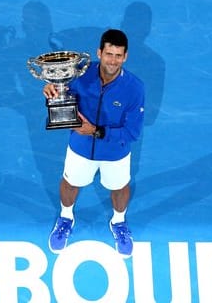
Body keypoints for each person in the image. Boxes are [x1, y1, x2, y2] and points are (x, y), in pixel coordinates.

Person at [42, 29, 145, 257]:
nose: (113, 60)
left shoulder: (135, 88)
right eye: (109, 54)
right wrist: (52, 90)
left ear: (126, 56)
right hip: (80, 148)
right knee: (69, 185)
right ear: (99, 52)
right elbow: (63, 96)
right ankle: (66, 217)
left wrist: (96, 131)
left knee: (119, 189)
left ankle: (118, 222)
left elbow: (132, 132)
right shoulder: (78, 73)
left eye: (118, 55)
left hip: (114, 153)